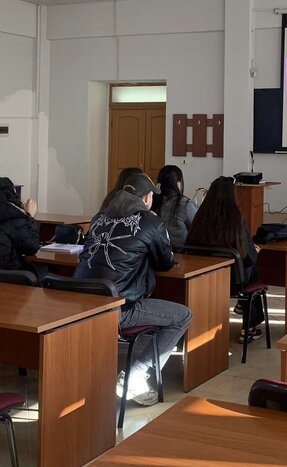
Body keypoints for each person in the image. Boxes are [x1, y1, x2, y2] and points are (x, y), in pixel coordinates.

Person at [74, 172, 191, 407]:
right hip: (118, 307)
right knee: (182, 315)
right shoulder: (151, 222)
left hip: (82, 303)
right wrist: (158, 229)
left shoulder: (99, 218)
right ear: (147, 198)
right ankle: (135, 377)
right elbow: (165, 262)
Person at [185, 176, 264, 344]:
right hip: (233, 282)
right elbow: (249, 257)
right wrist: (254, 251)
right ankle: (249, 328)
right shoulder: (237, 220)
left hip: (202, 278)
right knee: (253, 269)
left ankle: (243, 307)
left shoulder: (200, 218)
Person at [151, 164, 198, 247]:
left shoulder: (151, 202)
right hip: (181, 252)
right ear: (179, 183)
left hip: (155, 252)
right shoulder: (186, 204)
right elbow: (198, 230)